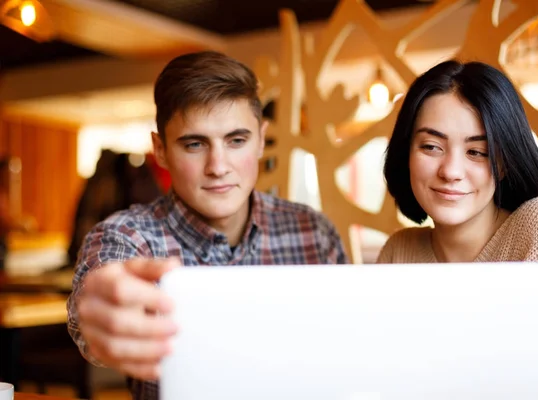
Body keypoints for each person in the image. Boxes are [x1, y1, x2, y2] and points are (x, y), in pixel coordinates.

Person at [66, 50, 348, 400]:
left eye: (236, 140)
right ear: (161, 150)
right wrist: (100, 315)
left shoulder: (314, 233)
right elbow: (93, 307)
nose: (218, 166)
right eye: (195, 144)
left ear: (261, 139)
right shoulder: (126, 236)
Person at [377, 60, 538, 399]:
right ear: (406, 152)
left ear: (504, 160)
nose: (451, 170)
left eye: (476, 151)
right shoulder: (399, 252)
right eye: (431, 146)